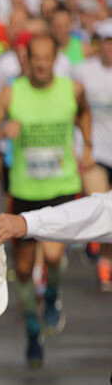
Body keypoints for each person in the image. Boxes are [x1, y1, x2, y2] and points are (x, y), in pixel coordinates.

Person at [0, 35, 90, 368]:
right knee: (24, 269)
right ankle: (31, 327)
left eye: (47, 58)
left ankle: (53, 295)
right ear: (26, 60)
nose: (41, 64)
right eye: (35, 58)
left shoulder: (72, 90)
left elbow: (84, 115)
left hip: (62, 186)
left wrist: (84, 146)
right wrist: (1, 133)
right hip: (26, 191)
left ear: (56, 59)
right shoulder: (12, 93)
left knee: (54, 255)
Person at [73, 20, 112, 291]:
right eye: (106, 42)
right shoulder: (82, 72)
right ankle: (105, 261)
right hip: (95, 153)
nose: (110, 48)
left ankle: (105, 256)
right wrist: (81, 148)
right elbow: (72, 111)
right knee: (103, 207)